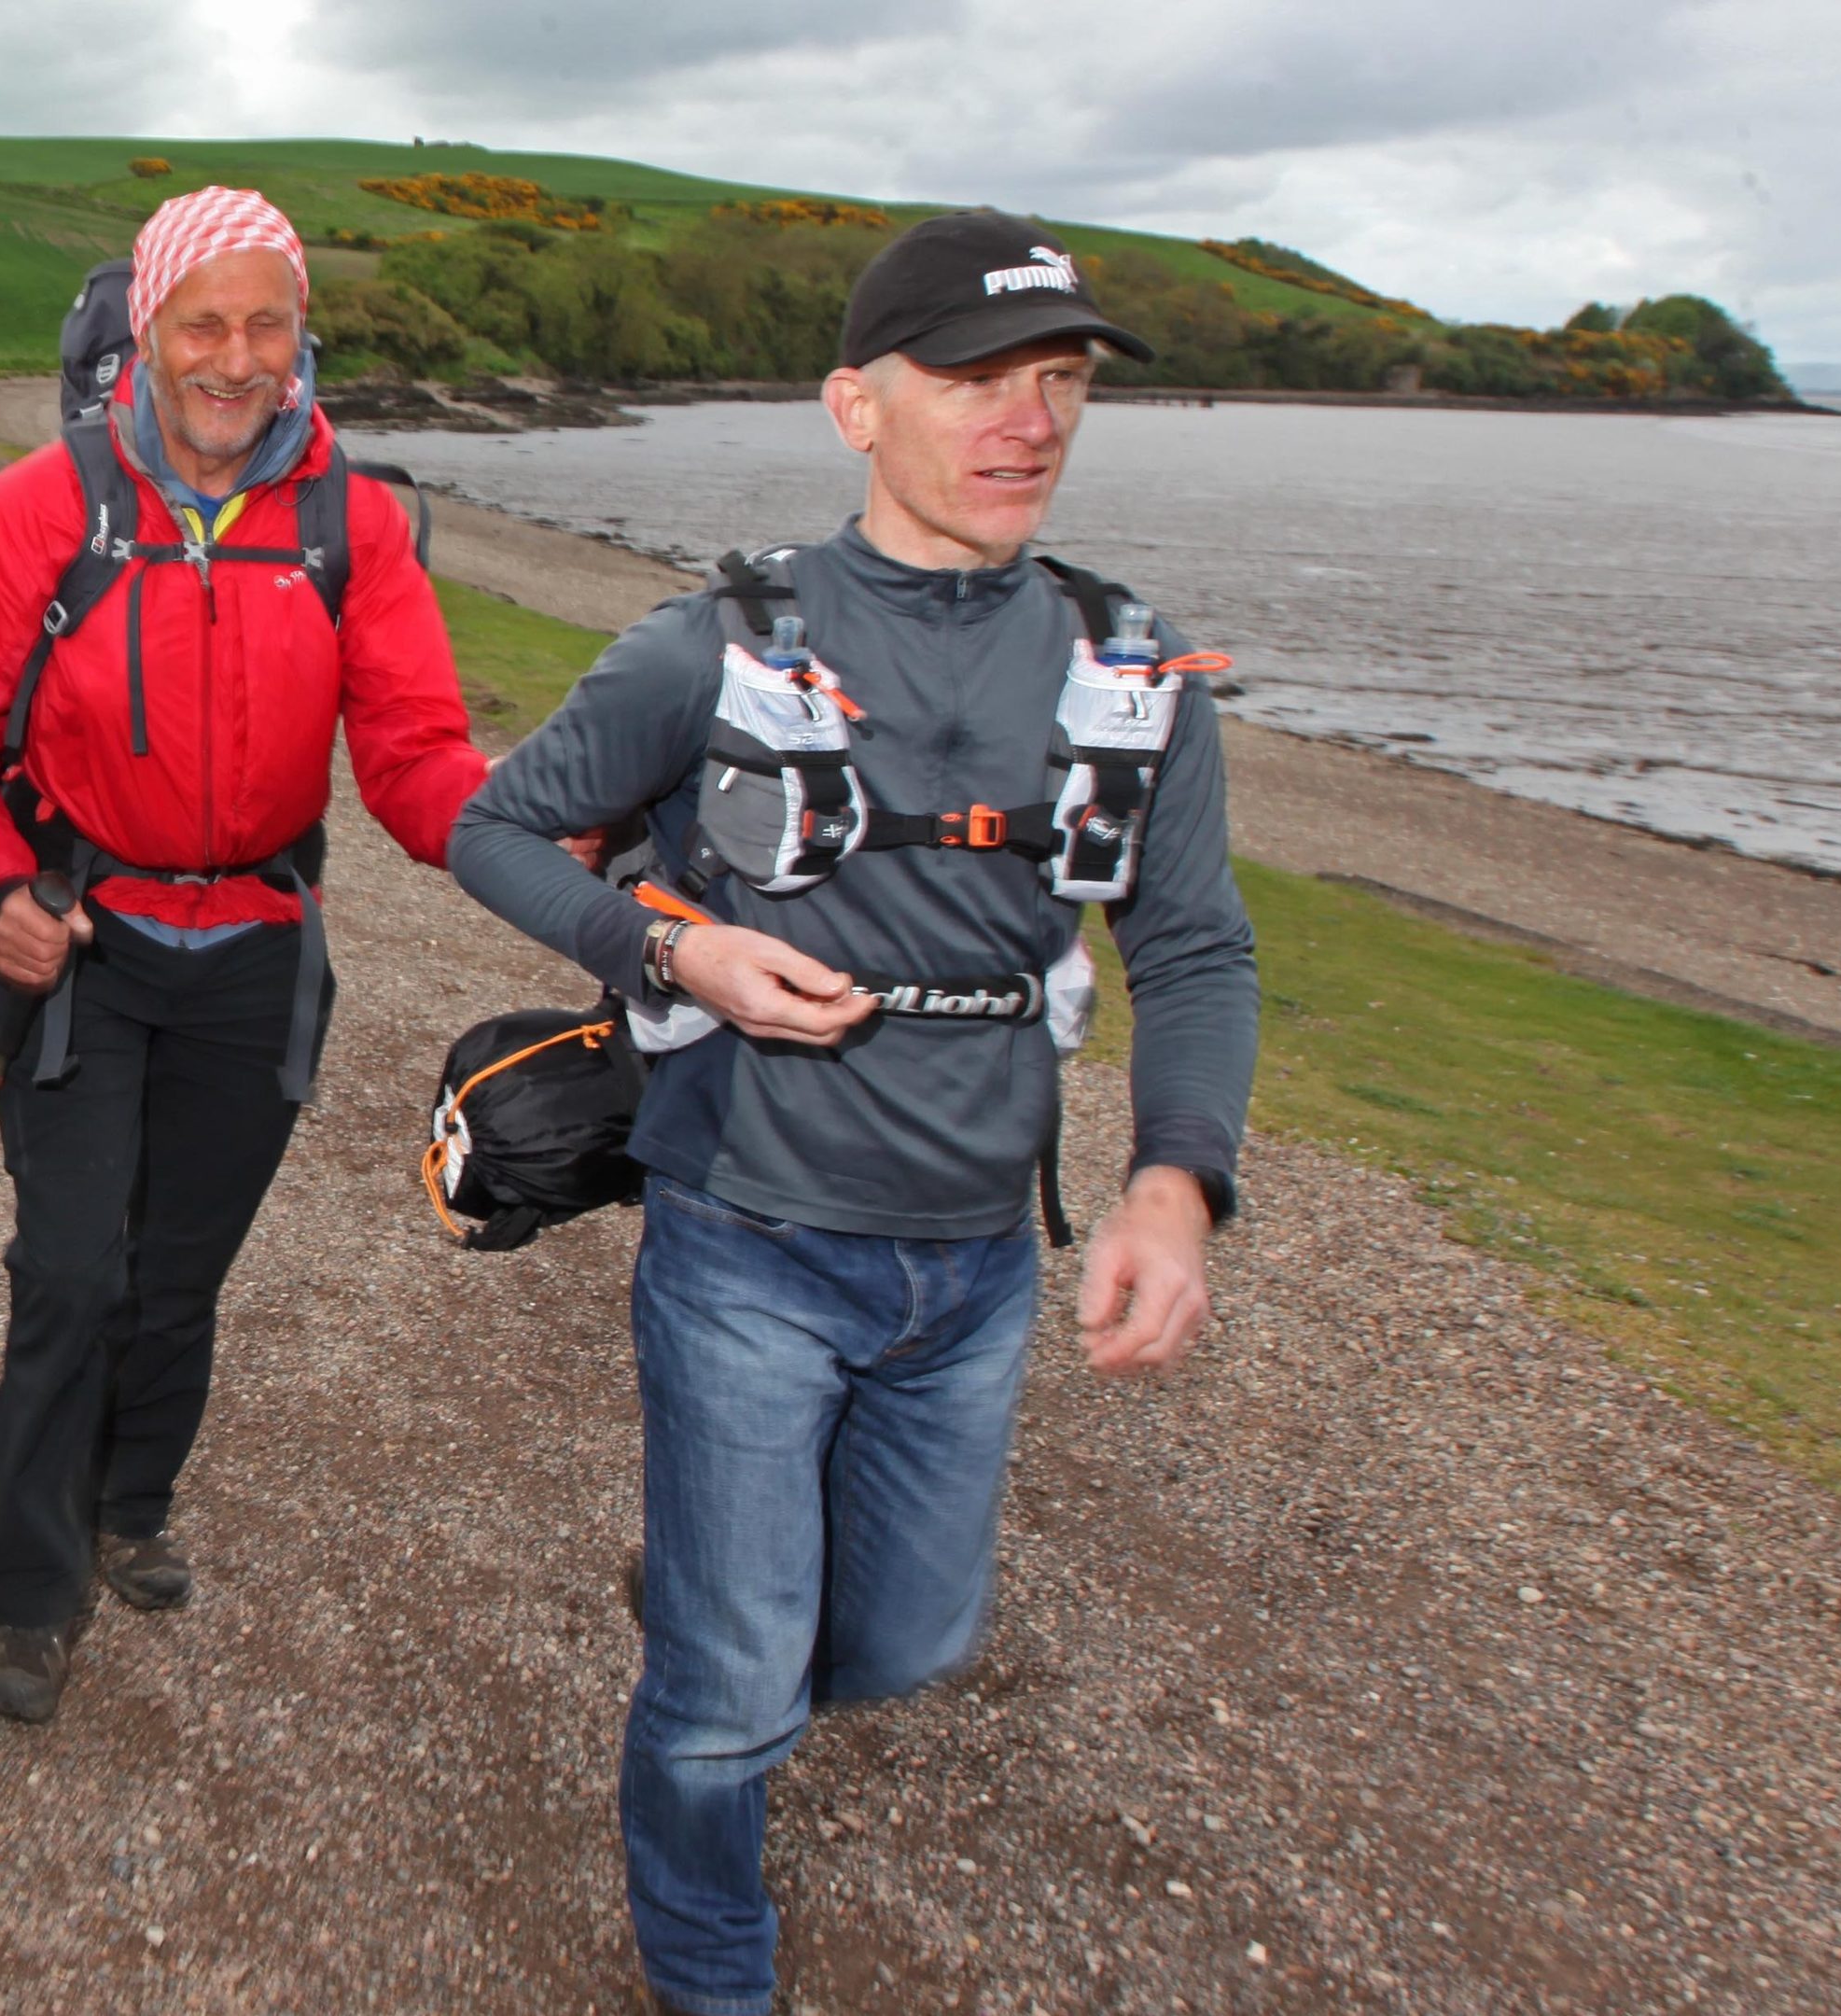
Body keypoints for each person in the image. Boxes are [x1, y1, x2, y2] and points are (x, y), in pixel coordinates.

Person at [448, 211, 1261, 2016]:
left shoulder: (1131, 671)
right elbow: (489, 828)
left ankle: (711, 1601)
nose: (1026, 419)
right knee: (735, 1692)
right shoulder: (710, 647)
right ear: (852, 406)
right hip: (749, 1239)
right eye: (975, 378)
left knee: (903, 1646)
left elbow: (1193, 949)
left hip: (978, 1271)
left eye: (1056, 382)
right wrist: (677, 952)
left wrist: (1176, 1185)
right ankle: (710, 1960)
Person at [0, 187, 489, 1723]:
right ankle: (32, 1594)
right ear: (147, 333)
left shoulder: (349, 521)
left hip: (257, 949)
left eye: (266, 324)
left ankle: (129, 1502)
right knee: (70, 1272)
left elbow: (419, 754)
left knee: (181, 1273)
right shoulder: (46, 505)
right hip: (82, 937)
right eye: (203, 323)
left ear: (303, 340)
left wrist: (556, 847)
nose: (236, 357)